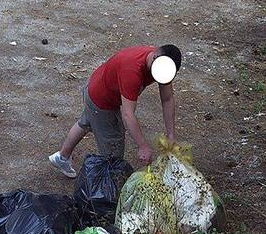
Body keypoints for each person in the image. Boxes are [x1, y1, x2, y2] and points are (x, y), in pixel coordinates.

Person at [49, 44, 182, 178]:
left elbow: (167, 99)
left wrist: (171, 135)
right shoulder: (132, 71)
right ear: (155, 57)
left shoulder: (163, 64)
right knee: (113, 152)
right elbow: (128, 114)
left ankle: (62, 158)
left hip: (96, 85)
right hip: (101, 100)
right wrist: (142, 146)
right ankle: (103, 192)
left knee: (86, 123)